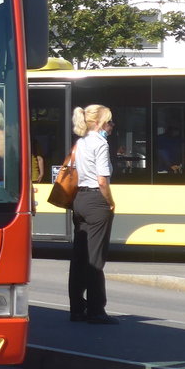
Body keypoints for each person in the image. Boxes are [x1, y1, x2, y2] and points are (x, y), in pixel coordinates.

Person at [70, 103, 118, 324]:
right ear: (99, 123)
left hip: (79, 199)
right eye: (109, 121)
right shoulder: (100, 143)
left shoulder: (80, 142)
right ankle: (97, 310)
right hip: (96, 201)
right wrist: (110, 202)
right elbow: (102, 180)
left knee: (79, 257)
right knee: (95, 258)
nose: (111, 126)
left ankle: (77, 308)